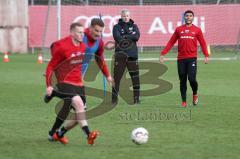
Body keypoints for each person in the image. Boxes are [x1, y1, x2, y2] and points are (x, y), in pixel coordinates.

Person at [45, 21, 113, 145]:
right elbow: (56, 47)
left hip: (78, 80)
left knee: (77, 114)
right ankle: (88, 134)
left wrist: (107, 75)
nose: (98, 34)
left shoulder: (96, 43)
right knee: (77, 103)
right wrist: (53, 73)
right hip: (64, 79)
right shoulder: (79, 37)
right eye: (96, 31)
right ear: (90, 28)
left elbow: (100, 59)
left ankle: (57, 134)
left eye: (101, 31)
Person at [160, 10, 209, 107]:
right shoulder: (179, 29)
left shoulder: (197, 30)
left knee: (191, 79)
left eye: (190, 16)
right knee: (182, 80)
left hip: (192, 59)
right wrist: (163, 53)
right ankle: (184, 101)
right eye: (187, 16)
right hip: (181, 59)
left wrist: (206, 55)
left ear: (193, 18)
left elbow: (203, 43)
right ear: (184, 17)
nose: (188, 17)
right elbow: (171, 42)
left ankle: (195, 93)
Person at [112, 9, 140, 104]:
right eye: (124, 16)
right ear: (121, 16)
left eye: (127, 16)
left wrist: (125, 36)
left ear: (129, 16)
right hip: (120, 56)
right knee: (116, 79)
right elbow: (118, 38)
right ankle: (114, 99)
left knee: (135, 78)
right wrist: (130, 36)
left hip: (132, 56)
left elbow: (136, 37)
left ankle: (136, 99)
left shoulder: (134, 26)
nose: (126, 17)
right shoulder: (116, 27)